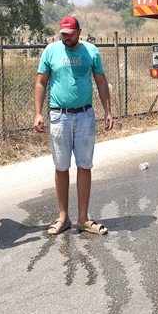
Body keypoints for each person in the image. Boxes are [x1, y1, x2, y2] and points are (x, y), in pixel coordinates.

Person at [33, 15, 115, 236]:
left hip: (85, 116)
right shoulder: (51, 51)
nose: (66, 39)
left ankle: (83, 219)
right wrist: (38, 113)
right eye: (63, 35)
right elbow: (41, 82)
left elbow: (100, 81)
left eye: (70, 34)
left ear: (79, 32)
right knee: (61, 167)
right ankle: (63, 217)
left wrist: (108, 111)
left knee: (84, 165)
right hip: (59, 116)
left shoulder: (91, 51)